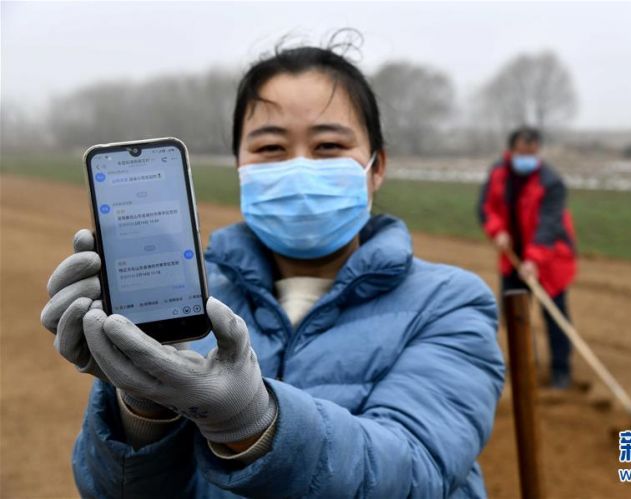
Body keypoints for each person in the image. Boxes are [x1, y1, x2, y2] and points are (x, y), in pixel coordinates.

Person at [40, 38, 505, 498]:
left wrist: (255, 423)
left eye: (327, 145)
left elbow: (414, 472)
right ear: (240, 166)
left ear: (376, 166)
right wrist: (142, 404)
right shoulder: (189, 298)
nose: (299, 166)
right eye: (270, 149)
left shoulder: (450, 302)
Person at [478, 127, 576, 389]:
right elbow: (486, 208)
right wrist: (496, 231)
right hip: (512, 258)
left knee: (555, 315)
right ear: (512, 151)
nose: (528, 158)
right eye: (523, 152)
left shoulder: (551, 182)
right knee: (514, 314)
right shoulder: (498, 174)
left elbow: (549, 225)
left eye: (532, 153)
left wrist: (534, 260)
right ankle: (524, 365)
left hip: (549, 260)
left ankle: (561, 371)